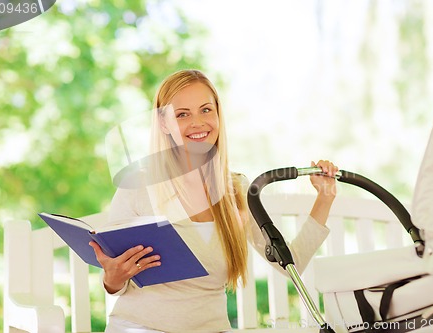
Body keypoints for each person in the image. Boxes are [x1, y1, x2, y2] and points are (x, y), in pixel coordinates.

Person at [89, 69, 339, 333]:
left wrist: (325, 198)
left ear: (218, 115)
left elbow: (292, 265)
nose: (198, 122)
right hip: (138, 327)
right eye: (182, 114)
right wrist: (112, 278)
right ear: (164, 124)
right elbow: (114, 280)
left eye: (206, 110)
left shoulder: (236, 189)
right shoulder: (139, 185)